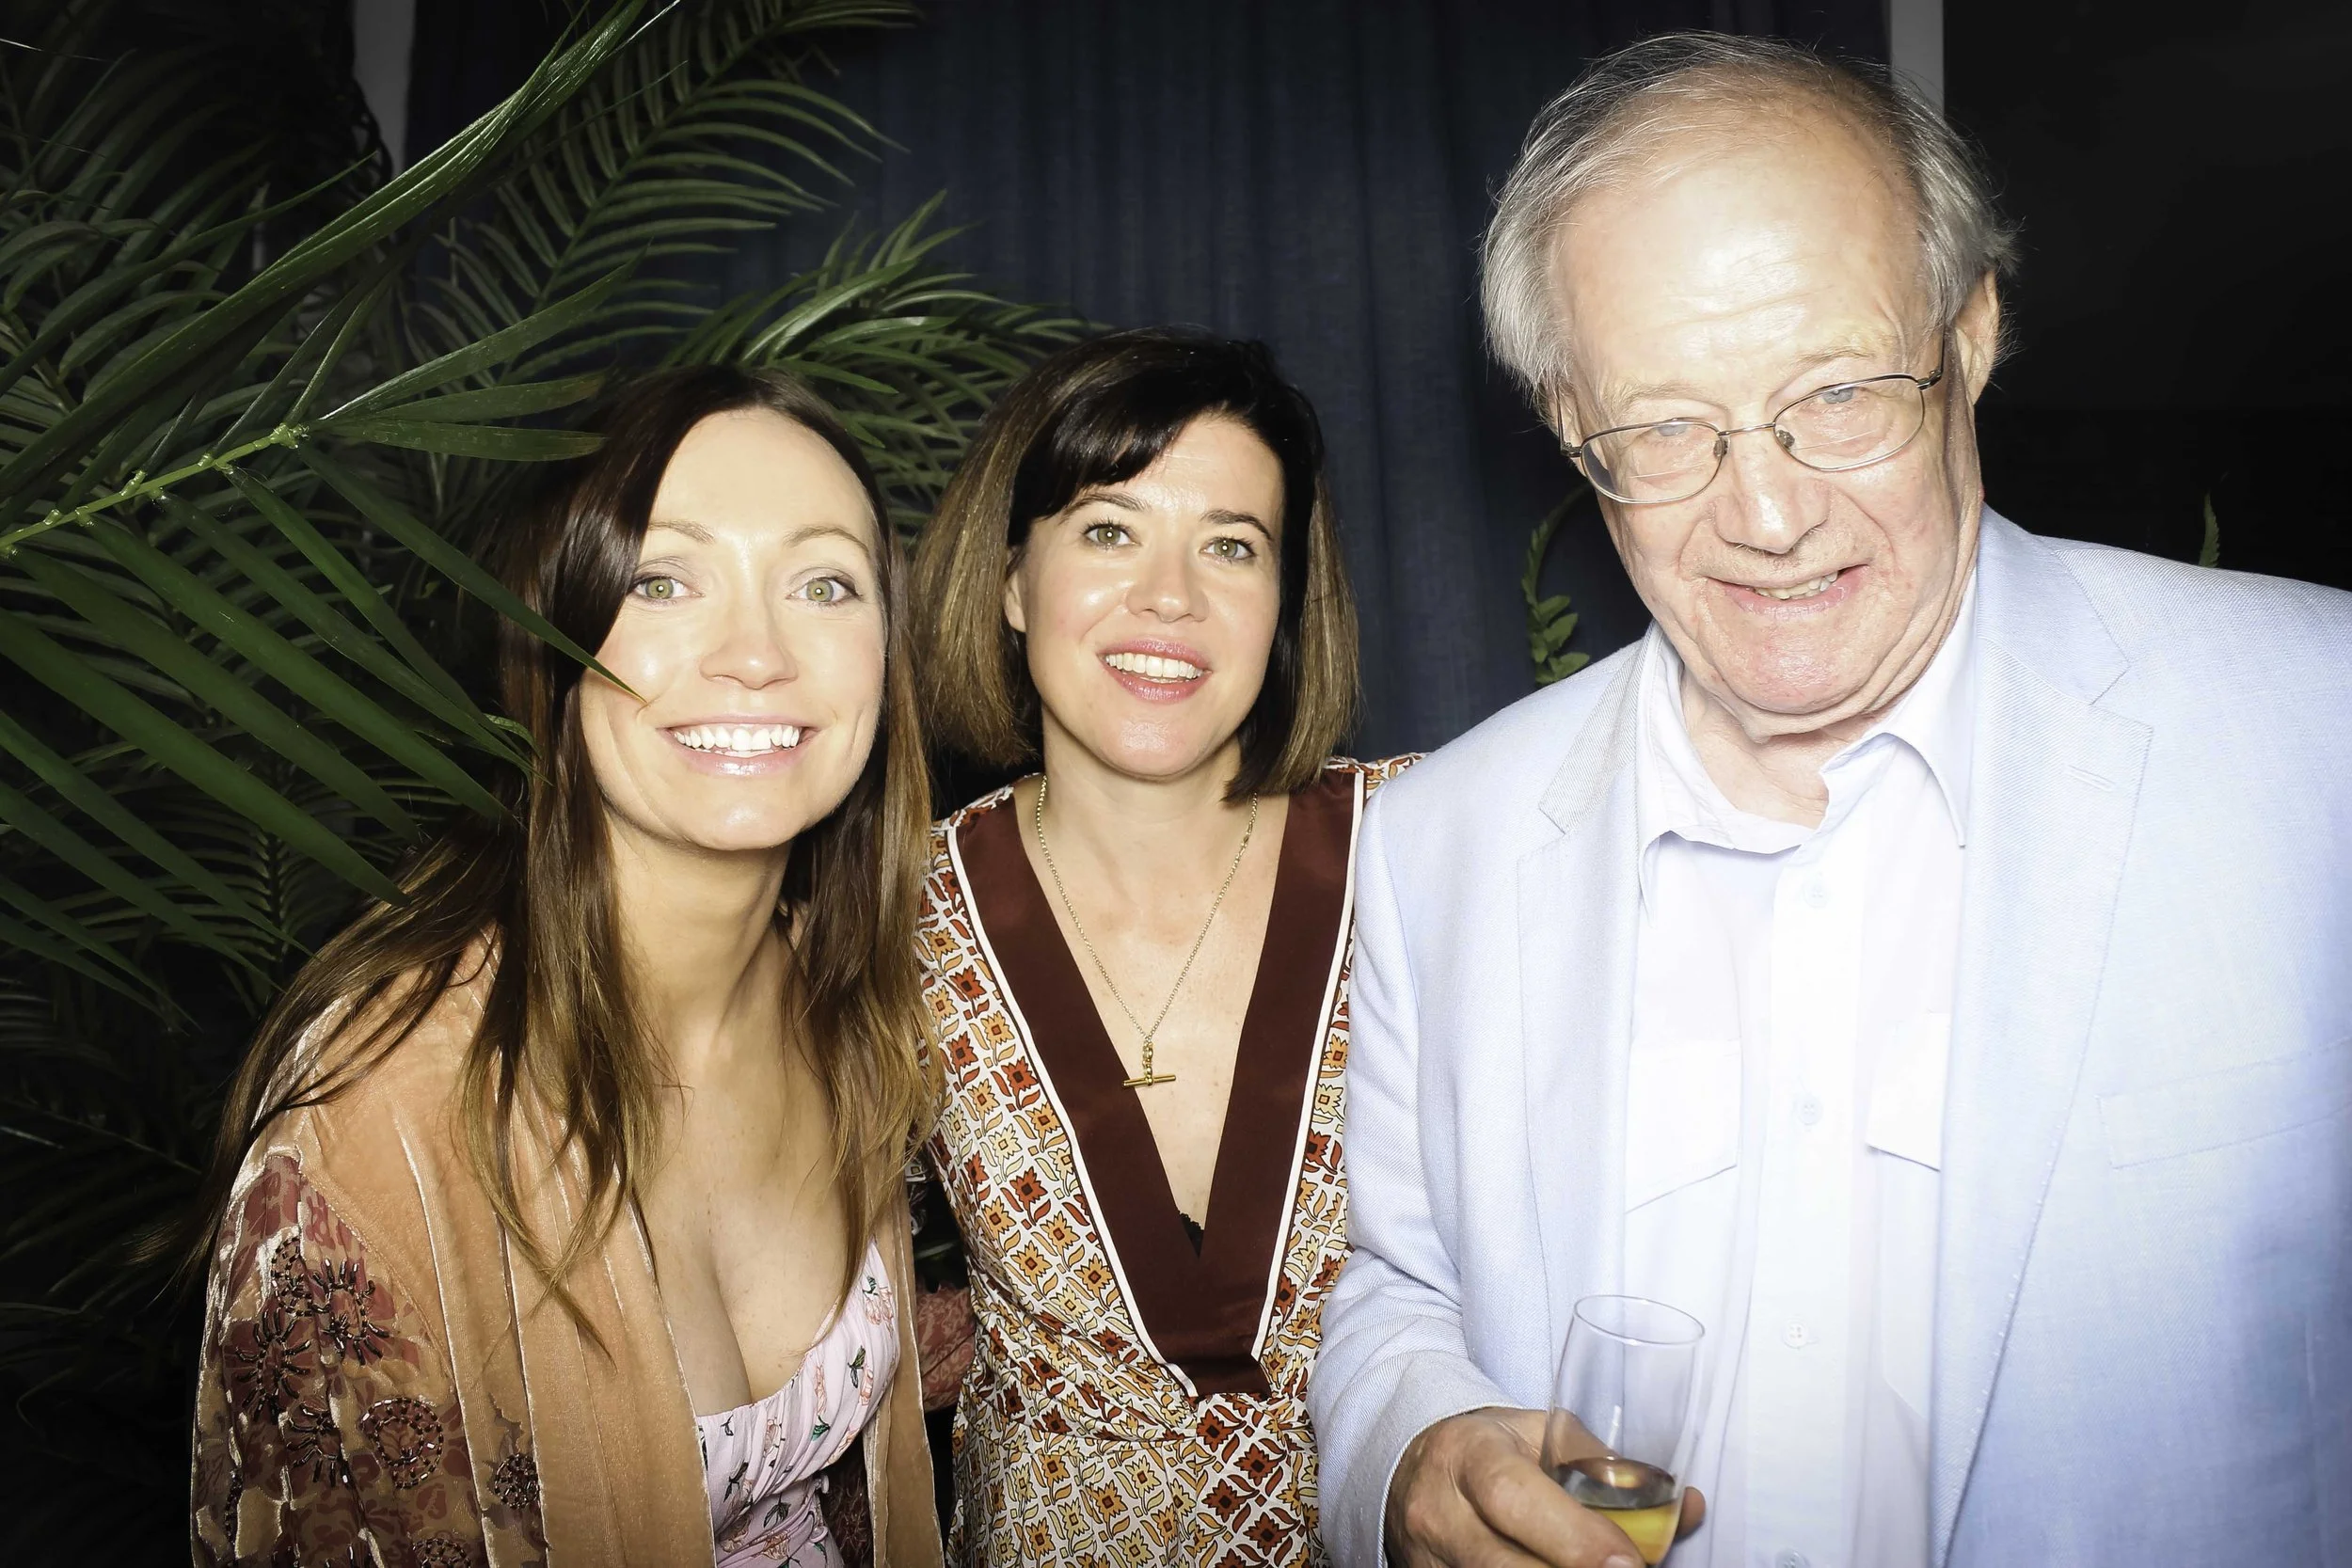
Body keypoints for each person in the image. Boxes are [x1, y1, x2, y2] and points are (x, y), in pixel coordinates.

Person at [1310, 31, 2352, 1568]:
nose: (1769, 512)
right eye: (1664, 426)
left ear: (1970, 334)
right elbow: (1402, 1289)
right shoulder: (1436, 841)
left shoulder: (2319, 729)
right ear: (1567, 416)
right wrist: (1414, 1452)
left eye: (1842, 391)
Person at [190, 368, 943, 1567]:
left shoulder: (847, 999)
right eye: (663, 579)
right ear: (547, 637)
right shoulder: (377, 1127)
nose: (757, 654)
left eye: (823, 583)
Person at [908, 329, 1408, 1565]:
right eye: (1108, 529)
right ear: (1012, 580)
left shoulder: (1431, 850)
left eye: (1230, 545)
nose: (1170, 596)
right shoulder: (895, 912)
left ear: (1284, 601)